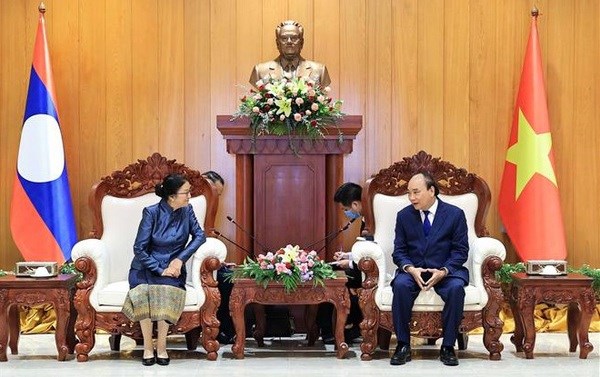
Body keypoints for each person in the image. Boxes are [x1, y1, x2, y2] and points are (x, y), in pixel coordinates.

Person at [122, 174, 206, 366]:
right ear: (171, 196)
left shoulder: (187, 210)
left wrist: (179, 260)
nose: (189, 196)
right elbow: (139, 248)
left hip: (173, 268)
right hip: (146, 267)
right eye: (186, 192)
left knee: (166, 292)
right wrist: (160, 270)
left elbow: (200, 236)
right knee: (143, 292)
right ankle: (147, 348)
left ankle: (162, 346)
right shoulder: (151, 213)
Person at [390, 172, 469, 367]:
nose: (411, 198)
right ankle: (402, 344)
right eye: (409, 193)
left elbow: (461, 251)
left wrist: (444, 271)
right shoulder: (404, 216)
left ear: (431, 190)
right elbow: (399, 251)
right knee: (400, 285)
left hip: (445, 271)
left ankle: (448, 346)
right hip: (414, 271)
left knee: (456, 289)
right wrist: (409, 268)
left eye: (416, 192)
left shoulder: (455, 214)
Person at [317, 182, 364, 344]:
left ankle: (328, 331)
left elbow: (377, 251)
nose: (345, 214)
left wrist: (349, 263)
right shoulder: (366, 217)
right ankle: (326, 330)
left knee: (328, 277)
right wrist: (348, 256)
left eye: (345, 209)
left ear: (355, 204)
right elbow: (366, 250)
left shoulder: (373, 219)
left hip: (369, 271)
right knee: (326, 271)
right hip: (361, 265)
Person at [201, 171, 235, 345]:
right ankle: (223, 330)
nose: (215, 197)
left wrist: (218, 263)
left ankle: (227, 330)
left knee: (227, 275)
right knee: (223, 279)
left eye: (218, 194)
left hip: (202, 264)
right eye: (213, 191)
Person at [249, 20, 331, 87]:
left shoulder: (320, 70)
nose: (289, 42)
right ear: (277, 43)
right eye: (284, 38)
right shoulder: (259, 71)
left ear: (301, 43)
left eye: (294, 38)